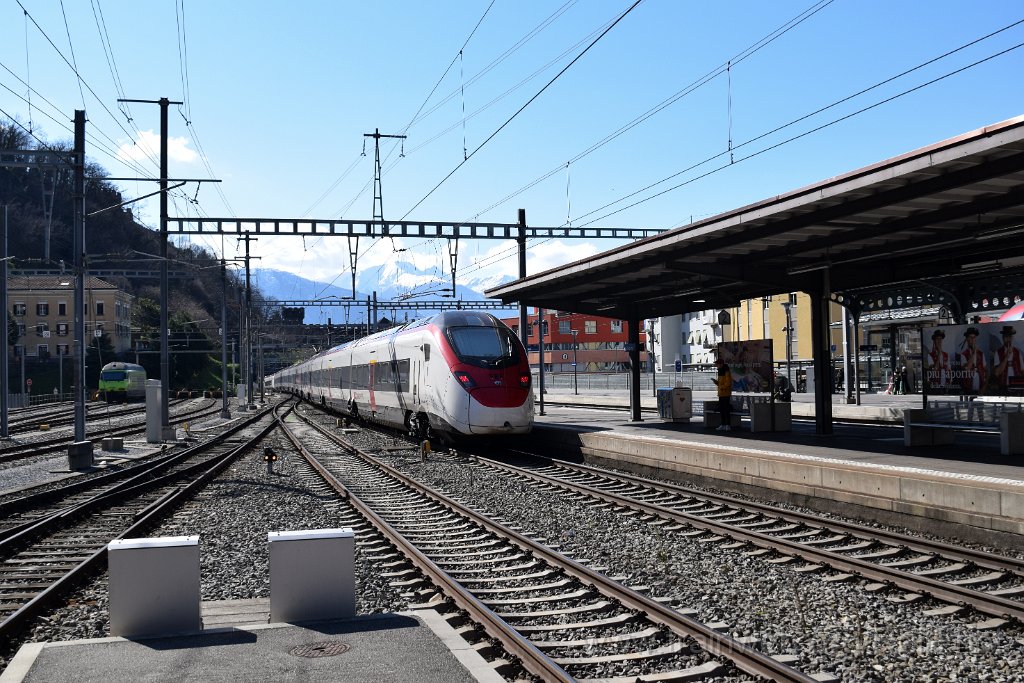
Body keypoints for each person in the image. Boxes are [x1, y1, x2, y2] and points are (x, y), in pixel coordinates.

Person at [992, 325, 1024, 394]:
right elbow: (997, 373)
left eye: (1010, 336)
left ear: (1012, 338)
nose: (1008, 339)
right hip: (1003, 387)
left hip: (1017, 388)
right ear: (1003, 338)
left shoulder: (1017, 352)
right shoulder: (998, 352)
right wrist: (1007, 356)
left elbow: (1022, 371)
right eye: (1006, 336)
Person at [958, 326, 986, 394]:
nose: (973, 340)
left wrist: (984, 387)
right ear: (967, 339)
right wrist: (974, 353)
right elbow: (967, 369)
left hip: (980, 386)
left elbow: (985, 370)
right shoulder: (963, 354)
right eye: (970, 337)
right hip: (968, 387)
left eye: (974, 337)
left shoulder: (981, 354)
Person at [712, 358, 733, 431]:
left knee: (726, 410)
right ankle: (723, 424)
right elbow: (722, 383)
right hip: (721, 393)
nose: (716, 365)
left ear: (721, 364)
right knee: (722, 410)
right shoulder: (720, 371)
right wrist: (716, 382)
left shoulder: (726, 371)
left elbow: (728, 383)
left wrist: (721, 386)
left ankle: (728, 425)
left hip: (726, 393)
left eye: (717, 364)